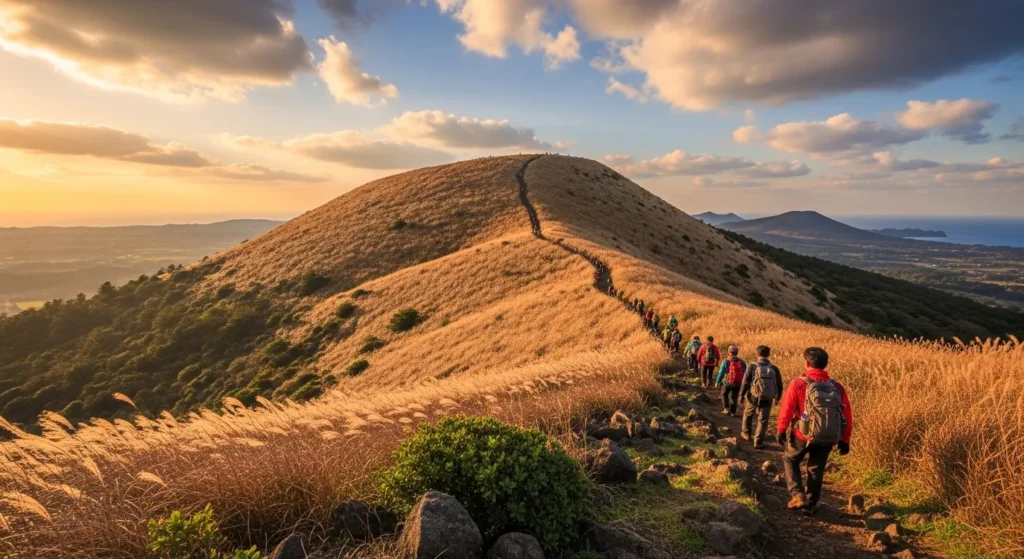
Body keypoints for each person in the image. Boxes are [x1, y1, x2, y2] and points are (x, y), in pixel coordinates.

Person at [776, 347, 853, 515]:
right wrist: (844, 440)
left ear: (806, 363)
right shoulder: (837, 387)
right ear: (825, 365)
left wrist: (781, 430)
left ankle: (798, 495)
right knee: (816, 468)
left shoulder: (799, 383)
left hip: (801, 434)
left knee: (790, 459)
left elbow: (787, 409)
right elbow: (846, 415)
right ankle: (811, 504)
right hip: (828, 435)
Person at [739, 345, 783, 449]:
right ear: (768, 355)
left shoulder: (752, 366)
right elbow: (779, 384)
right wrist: (777, 397)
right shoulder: (774, 368)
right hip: (768, 398)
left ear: (757, 354)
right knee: (763, 420)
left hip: (753, 397)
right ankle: (758, 441)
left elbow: (745, 382)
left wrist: (741, 395)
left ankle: (746, 433)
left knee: (748, 414)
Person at [715, 345, 745, 416]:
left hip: (727, 383)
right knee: (734, 397)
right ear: (737, 352)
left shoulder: (725, 361)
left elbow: (721, 372)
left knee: (724, 394)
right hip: (738, 383)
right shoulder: (742, 362)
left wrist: (717, 381)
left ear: (729, 352)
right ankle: (733, 412)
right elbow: (745, 372)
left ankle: (726, 409)